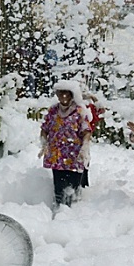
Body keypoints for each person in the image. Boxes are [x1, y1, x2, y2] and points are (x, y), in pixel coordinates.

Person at [39, 80, 92, 214]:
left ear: (71, 95)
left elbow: (86, 131)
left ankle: (72, 214)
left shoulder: (79, 111)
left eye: (66, 94)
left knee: (73, 188)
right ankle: (57, 211)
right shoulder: (53, 111)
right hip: (56, 156)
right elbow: (45, 129)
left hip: (74, 156)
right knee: (59, 187)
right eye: (60, 93)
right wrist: (44, 143)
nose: (63, 96)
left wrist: (84, 147)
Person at [80, 92, 105, 188]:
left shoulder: (89, 108)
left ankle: (83, 184)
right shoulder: (77, 108)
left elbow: (101, 109)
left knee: (84, 161)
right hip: (77, 138)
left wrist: (93, 97)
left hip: (85, 138)